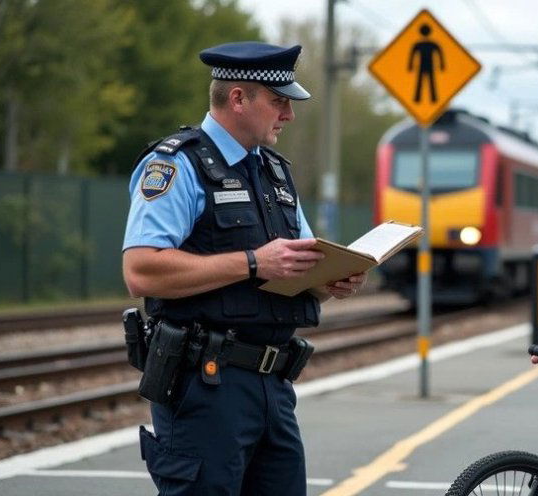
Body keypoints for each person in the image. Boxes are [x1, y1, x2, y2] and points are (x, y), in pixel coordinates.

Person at [122, 41, 365, 496]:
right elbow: (141, 271)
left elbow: (297, 269)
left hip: (274, 387)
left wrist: (331, 281)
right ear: (238, 98)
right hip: (204, 385)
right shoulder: (177, 165)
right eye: (279, 102)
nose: (288, 115)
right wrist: (254, 262)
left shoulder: (274, 172)